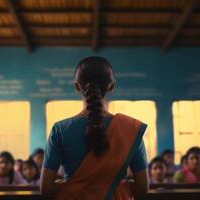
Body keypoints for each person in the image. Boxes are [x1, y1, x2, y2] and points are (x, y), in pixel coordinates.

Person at [40, 56, 149, 200]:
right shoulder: (130, 129)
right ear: (111, 86)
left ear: (76, 86)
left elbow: (46, 188)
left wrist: (72, 186)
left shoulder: (60, 130)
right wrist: (116, 187)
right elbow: (142, 188)